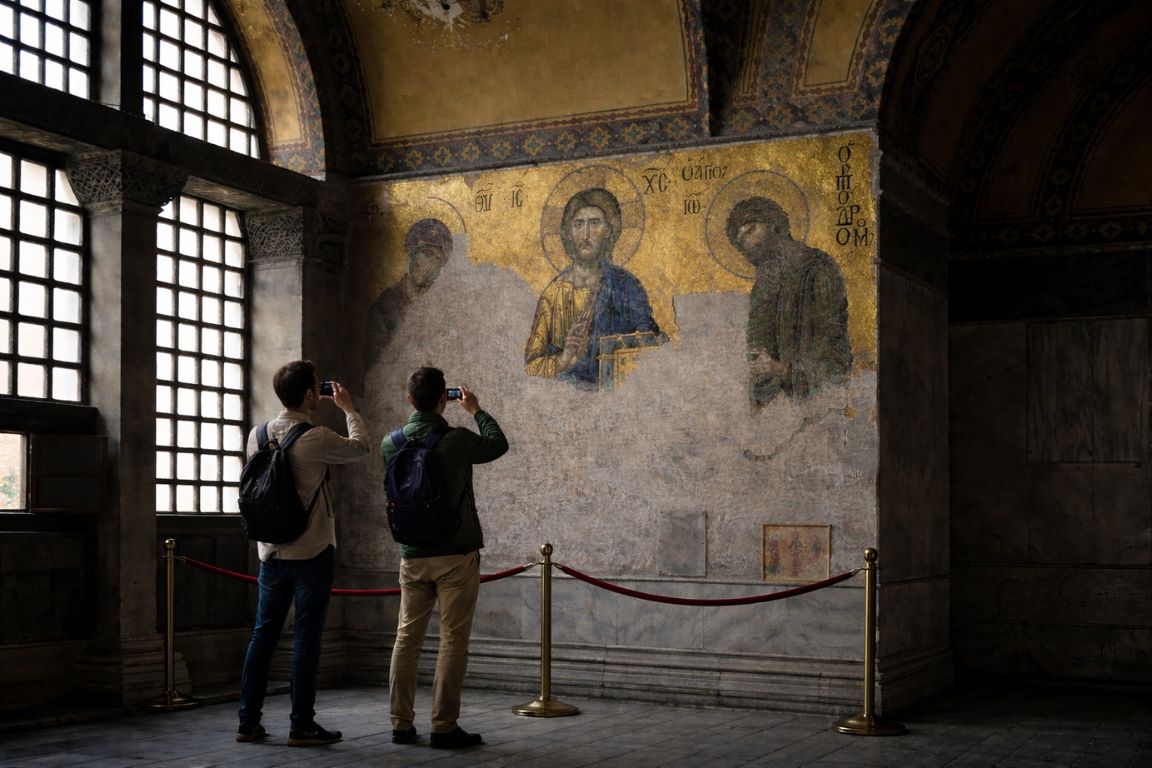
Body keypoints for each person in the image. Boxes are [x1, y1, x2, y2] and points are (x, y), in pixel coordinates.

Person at [236, 360, 371, 746]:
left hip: (270, 554)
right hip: (311, 552)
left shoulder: (256, 435)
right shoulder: (316, 437)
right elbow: (360, 447)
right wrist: (347, 408)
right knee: (306, 640)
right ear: (311, 395)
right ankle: (302, 724)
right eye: (318, 387)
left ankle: (248, 721)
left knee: (262, 637)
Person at [383, 367, 508, 750]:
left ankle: (400, 723)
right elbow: (497, 444)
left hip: (412, 553)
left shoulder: (392, 442)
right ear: (444, 399)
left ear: (409, 399)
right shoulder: (455, 440)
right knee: (453, 640)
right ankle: (443, 725)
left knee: (407, 637)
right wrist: (475, 410)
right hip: (455, 553)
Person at [524, 187, 663, 389]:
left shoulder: (626, 285)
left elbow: (648, 344)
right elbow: (531, 365)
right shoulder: (554, 295)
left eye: (594, 223)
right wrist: (565, 358)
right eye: (578, 225)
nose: (586, 234)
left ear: (609, 230)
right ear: (568, 233)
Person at [726, 196, 853, 405]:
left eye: (750, 230)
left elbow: (836, 355)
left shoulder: (817, 269)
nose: (748, 244)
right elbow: (758, 353)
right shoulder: (762, 287)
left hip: (818, 403)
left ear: (774, 224)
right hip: (775, 408)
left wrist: (782, 369)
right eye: (741, 242)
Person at [363, 218, 452, 375]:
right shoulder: (385, 305)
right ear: (412, 253)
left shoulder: (443, 306)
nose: (430, 265)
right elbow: (375, 361)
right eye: (426, 253)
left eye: (438, 259)